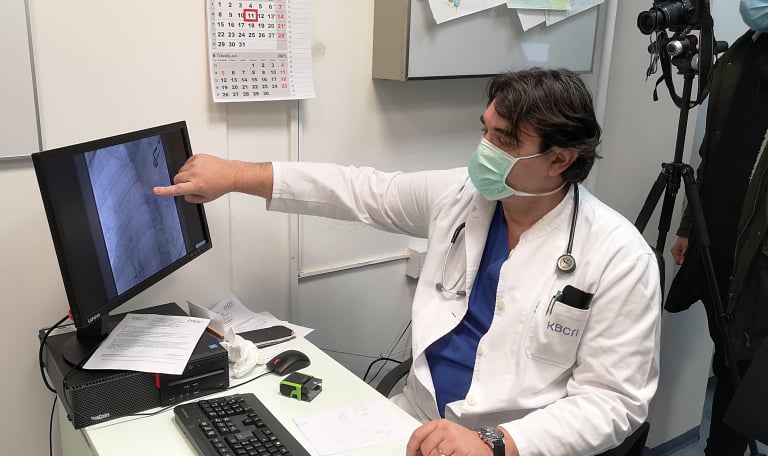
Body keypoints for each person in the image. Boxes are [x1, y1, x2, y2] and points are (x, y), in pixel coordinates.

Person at [155, 68, 662, 456]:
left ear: (560, 159)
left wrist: (497, 442)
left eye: (504, 140)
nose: (484, 149)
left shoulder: (618, 257)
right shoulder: (461, 197)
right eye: (485, 130)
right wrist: (236, 175)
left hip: (514, 446)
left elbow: (614, 402)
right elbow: (361, 191)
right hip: (413, 423)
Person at [666, 5, 768, 453]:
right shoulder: (740, 55)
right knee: (727, 359)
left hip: (759, 260)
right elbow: (713, 151)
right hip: (718, 242)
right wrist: (690, 225)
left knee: (745, 370)